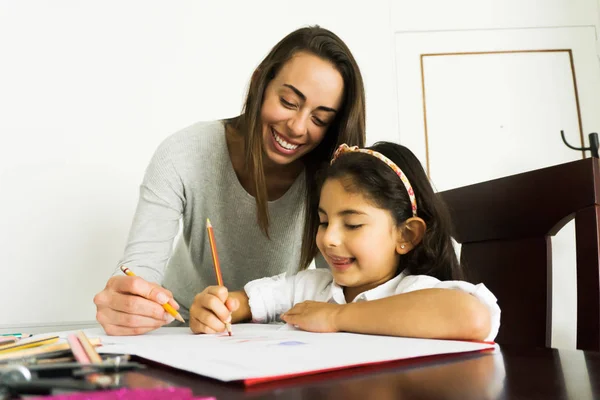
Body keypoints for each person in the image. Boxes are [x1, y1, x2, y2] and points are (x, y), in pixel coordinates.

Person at [93, 25, 366, 336]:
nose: (298, 127)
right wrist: (127, 301)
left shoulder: (329, 175)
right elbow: (140, 266)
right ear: (258, 84)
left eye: (320, 119)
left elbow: (339, 282)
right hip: (183, 328)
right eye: (289, 102)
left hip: (277, 332)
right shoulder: (184, 152)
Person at [190, 142, 501, 341]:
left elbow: (472, 316)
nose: (329, 238)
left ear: (405, 236)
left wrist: (336, 317)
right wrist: (220, 307)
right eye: (324, 221)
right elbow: (247, 302)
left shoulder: (413, 290)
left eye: (352, 224)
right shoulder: (314, 288)